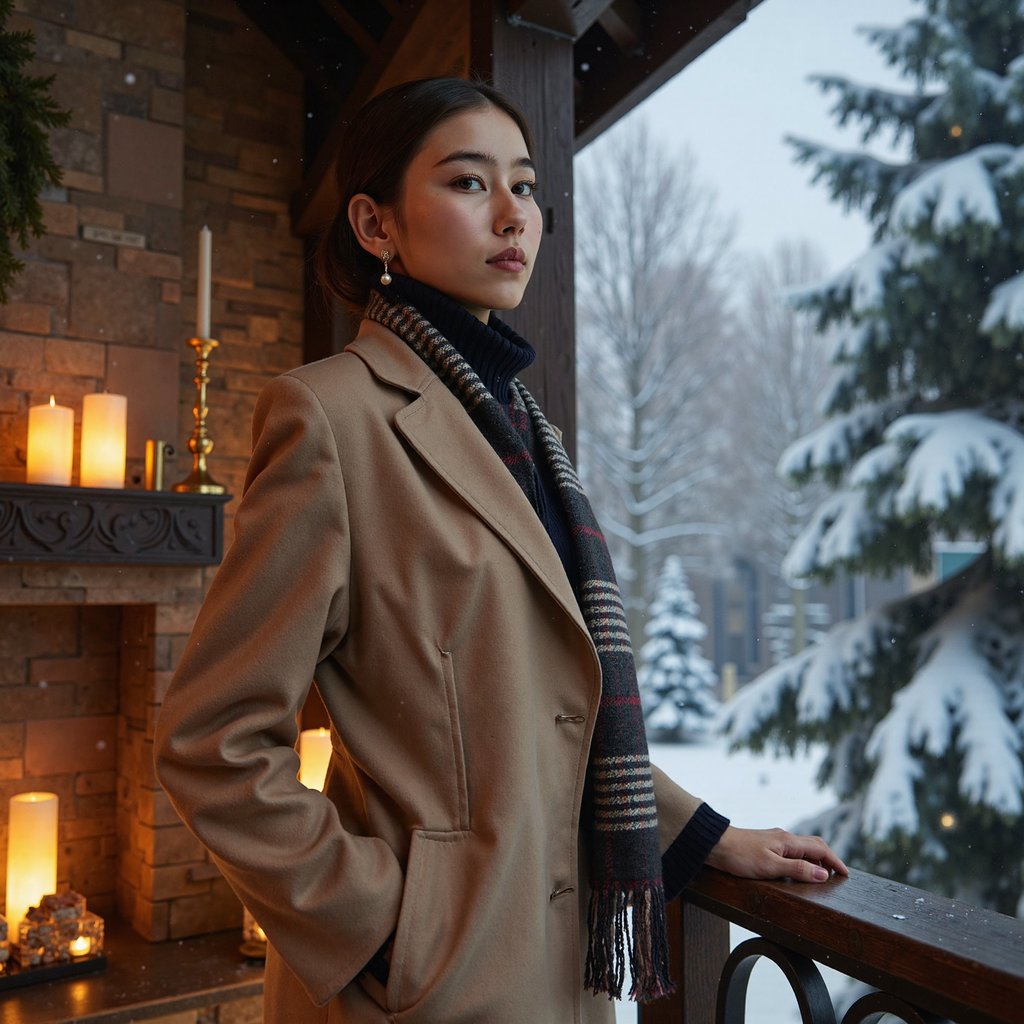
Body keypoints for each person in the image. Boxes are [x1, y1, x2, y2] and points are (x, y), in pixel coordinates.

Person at [154, 77, 847, 1024]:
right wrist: (384, 928)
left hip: (559, 969)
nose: (512, 212)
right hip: (428, 983)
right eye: (470, 183)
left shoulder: (525, 432)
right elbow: (213, 741)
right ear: (375, 223)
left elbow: (551, 710)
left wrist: (705, 839)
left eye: (524, 186)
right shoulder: (331, 419)